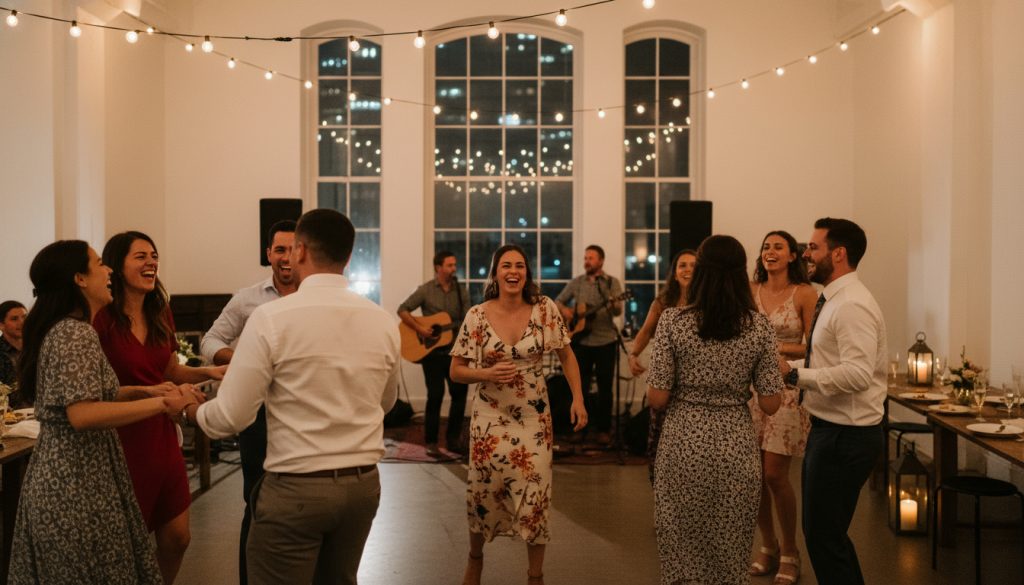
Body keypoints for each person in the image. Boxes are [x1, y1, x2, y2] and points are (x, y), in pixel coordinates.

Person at [186, 209, 401, 585]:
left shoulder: (271, 319)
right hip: (362, 488)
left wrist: (189, 411)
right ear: (347, 258)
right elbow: (385, 404)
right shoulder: (382, 320)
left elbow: (230, 417)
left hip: (298, 487)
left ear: (300, 251)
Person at [9, 240, 197, 585]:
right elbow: (82, 414)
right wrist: (162, 404)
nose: (108, 270)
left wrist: (145, 390)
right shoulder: (75, 334)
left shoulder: (70, 329)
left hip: (80, 475)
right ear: (80, 279)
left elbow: (84, 395)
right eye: (99, 264)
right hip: (74, 481)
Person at [646, 235, 782, 585]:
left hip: (683, 445)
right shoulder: (759, 326)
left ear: (701, 272)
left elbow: (657, 398)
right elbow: (770, 403)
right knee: (731, 549)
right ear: (740, 274)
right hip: (736, 445)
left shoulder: (674, 322)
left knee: (682, 547)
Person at [450, 244, 587, 585]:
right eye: (506, 265)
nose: (513, 271)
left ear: (527, 273)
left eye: (520, 266)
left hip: (533, 418)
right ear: (495, 273)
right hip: (489, 418)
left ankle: (535, 576)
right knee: (484, 491)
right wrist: (485, 374)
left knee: (536, 495)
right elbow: (456, 370)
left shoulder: (544, 309)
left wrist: (578, 399)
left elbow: (567, 356)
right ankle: (475, 559)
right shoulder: (477, 316)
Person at [93, 231, 224, 585]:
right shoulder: (101, 318)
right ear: (116, 266)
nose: (151, 262)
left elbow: (169, 370)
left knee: (178, 537)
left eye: (154, 256)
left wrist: (208, 371)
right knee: (123, 539)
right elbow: (95, 390)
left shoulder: (160, 310)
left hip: (160, 432)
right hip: (119, 434)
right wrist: (151, 394)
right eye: (140, 256)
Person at [779, 218, 887, 585]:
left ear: (838, 254)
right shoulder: (834, 298)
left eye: (813, 247)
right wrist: (788, 366)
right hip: (832, 431)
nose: (806, 253)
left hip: (846, 436)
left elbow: (857, 375)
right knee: (826, 536)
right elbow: (827, 364)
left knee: (825, 538)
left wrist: (795, 375)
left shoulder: (852, 305)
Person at [199, 219, 297, 585]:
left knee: (301, 507)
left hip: (304, 416)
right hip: (258, 413)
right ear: (268, 254)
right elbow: (210, 341)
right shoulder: (247, 298)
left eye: (292, 249)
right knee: (256, 502)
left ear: (303, 251)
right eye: (279, 250)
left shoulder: (314, 297)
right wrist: (241, 360)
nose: (286, 257)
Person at [747, 231, 818, 585]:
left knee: (775, 473)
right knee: (754, 476)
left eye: (777, 247)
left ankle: (791, 550)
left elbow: (815, 346)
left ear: (793, 255)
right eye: (765, 247)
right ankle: (768, 546)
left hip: (787, 390)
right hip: (750, 391)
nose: (769, 252)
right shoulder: (750, 290)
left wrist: (779, 352)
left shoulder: (805, 294)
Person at [627, 249, 696, 483]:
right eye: (682, 266)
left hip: (693, 380)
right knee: (660, 437)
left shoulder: (706, 303)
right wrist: (633, 354)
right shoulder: (664, 302)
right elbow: (646, 331)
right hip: (664, 377)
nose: (687, 270)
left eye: (693, 266)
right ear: (675, 274)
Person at [397, 250, 470, 457]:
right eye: (449, 265)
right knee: (435, 395)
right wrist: (420, 329)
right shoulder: (426, 290)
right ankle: (430, 441)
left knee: (459, 395)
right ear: (438, 268)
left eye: (455, 265)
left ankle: (453, 440)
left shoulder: (460, 290)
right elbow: (402, 310)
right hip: (432, 354)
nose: (454, 269)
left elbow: (468, 317)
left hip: (455, 351)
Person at [555, 244, 623, 444]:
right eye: (585, 258)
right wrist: (567, 312)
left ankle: (603, 430)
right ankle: (579, 427)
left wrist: (613, 304)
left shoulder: (611, 283)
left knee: (605, 388)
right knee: (579, 387)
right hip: (581, 342)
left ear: (601, 261)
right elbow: (558, 301)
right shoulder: (577, 282)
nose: (587, 261)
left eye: (591, 258)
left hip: (606, 341)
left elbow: (618, 310)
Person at [0, 300, 26, 391]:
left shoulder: (36, 347)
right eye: (14, 319)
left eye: (25, 317)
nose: (22, 322)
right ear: (1, 325)